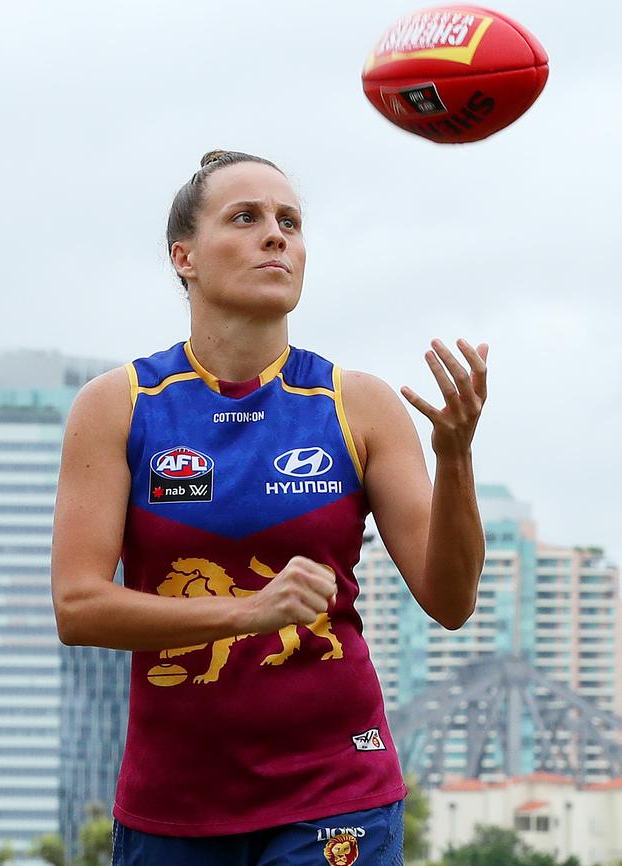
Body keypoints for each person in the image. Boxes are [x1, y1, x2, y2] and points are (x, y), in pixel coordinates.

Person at [51, 149, 488, 866]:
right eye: (246, 218)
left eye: (290, 221)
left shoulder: (359, 405)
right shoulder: (118, 406)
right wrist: (248, 612)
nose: (276, 235)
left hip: (337, 790)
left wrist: (456, 457)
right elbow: (79, 608)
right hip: (174, 805)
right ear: (183, 256)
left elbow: (450, 600)